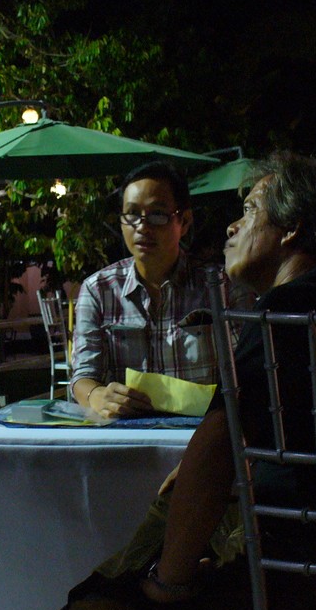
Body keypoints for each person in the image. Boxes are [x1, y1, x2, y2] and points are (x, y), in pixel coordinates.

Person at [4, 153, 316, 610]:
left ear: (291, 228)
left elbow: (214, 451)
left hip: (315, 583)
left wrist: (168, 585)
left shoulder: (284, 316)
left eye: (250, 210)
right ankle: (101, 609)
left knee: (157, 589)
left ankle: (104, 607)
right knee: (182, 491)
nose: (232, 226)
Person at [70, 161, 218, 418]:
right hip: (127, 432)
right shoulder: (98, 290)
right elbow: (83, 376)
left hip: (203, 431)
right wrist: (97, 396)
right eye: (131, 214)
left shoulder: (218, 287)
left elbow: (248, 371)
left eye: (157, 214)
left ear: (184, 221)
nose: (142, 227)